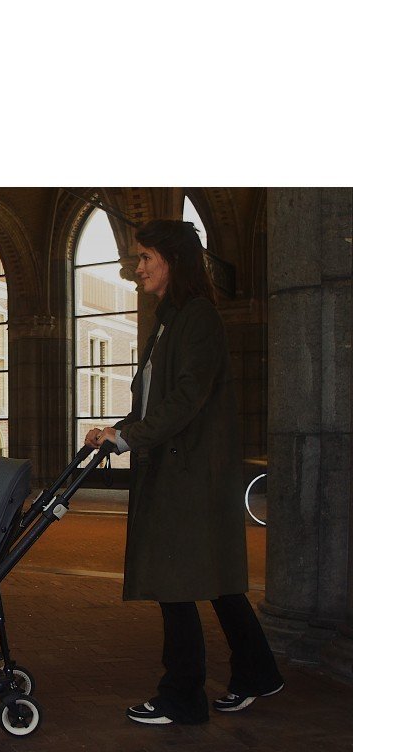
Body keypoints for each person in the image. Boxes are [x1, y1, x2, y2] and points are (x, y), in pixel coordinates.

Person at [86, 218, 284, 726]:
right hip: (181, 471)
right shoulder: (171, 320)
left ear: (174, 261)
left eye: (146, 258)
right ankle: (259, 673)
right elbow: (155, 402)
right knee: (215, 578)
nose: (138, 268)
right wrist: (117, 429)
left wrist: (129, 437)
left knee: (174, 583)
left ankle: (182, 697)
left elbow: (185, 399)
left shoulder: (197, 318)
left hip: (189, 475)